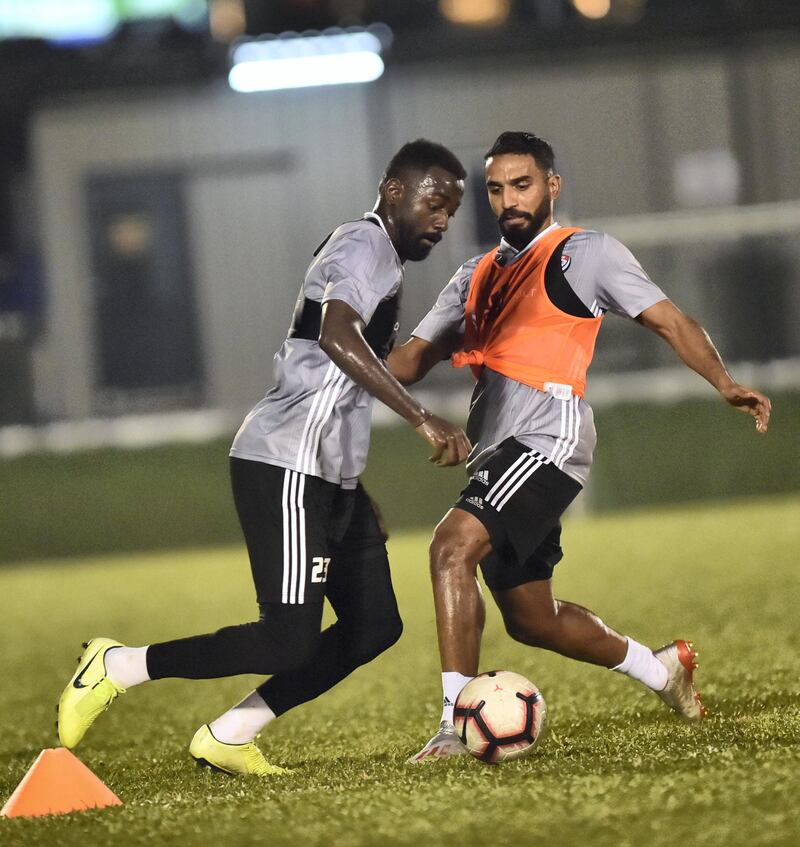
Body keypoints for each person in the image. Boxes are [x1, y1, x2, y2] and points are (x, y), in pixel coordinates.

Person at [57, 139, 471, 775]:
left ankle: (230, 733)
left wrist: (355, 489)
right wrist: (420, 415)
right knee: (287, 636)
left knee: (374, 626)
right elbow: (337, 337)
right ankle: (118, 665)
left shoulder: (383, 254)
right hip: (286, 463)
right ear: (394, 191)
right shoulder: (365, 245)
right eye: (435, 202)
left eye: (452, 209)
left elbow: (339, 386)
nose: (443, 219)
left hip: (327, 474)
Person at [386, 131, 772, 762]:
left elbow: (670, 319)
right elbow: (408, 362)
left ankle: (455, 725)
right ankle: (661, 670)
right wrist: (343, 344)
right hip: (498, 452)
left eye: (522, 184)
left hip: (550, 439)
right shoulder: (473, 275)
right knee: (531, 618)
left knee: (450, 547)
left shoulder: (583, 253)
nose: (508, 199)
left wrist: (724, 383)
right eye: (495, 188)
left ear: (551, 186)